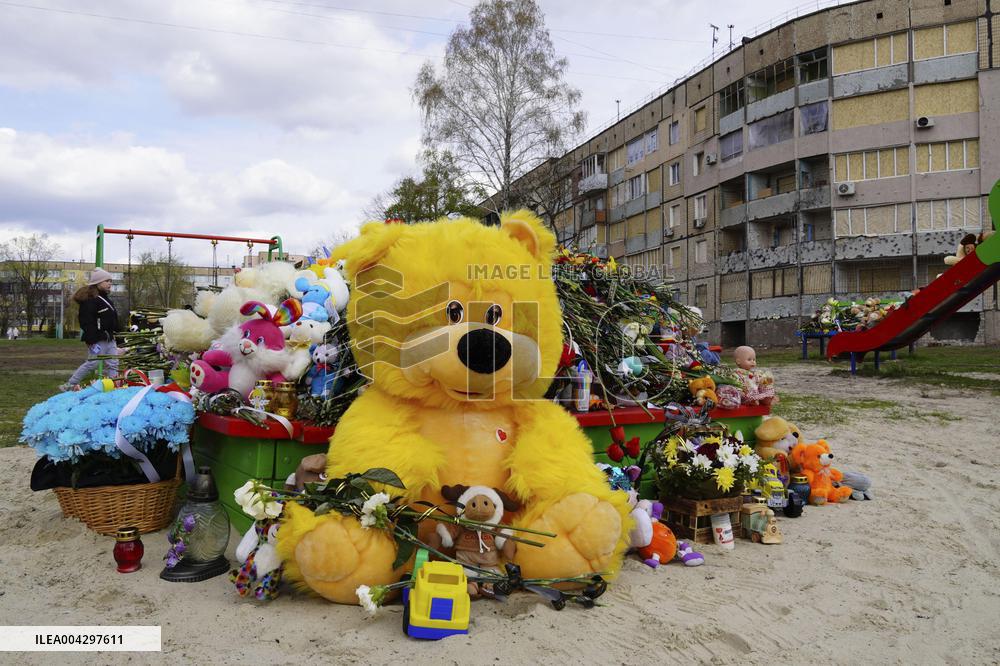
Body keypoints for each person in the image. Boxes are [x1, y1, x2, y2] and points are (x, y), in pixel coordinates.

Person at [60, 269, 121, 391]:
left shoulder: (107, 300)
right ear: (98, 283)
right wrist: (92, 339)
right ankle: (70, 384)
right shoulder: (90, 300)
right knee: (92, 363)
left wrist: (118, 336)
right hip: (97, 339)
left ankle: (113, 386)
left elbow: (113, 320)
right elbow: (86, 321)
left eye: (111, 281)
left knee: (113, 363)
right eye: (107, 281)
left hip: (110, 338)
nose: (110, 283)